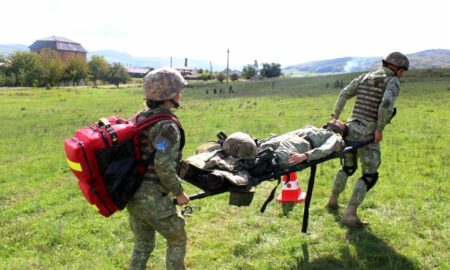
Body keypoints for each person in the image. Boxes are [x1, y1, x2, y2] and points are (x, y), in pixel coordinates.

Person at [326, 52, 409, 228]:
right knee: (370, 175)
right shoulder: (392, 80)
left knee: (348, 168)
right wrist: (379, 129)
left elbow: (344, 93)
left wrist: (336, 116)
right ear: (394, 67)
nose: (402, 74)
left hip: (348, 129)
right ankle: (349, 214)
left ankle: (332, 201)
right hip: (366, 133)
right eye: (402, 70)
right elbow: (386, 104)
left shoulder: (365, 77)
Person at [127, 68, 190, 270]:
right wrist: (180, 193)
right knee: (177, 240)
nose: (180, 94)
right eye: (178, 90)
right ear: (170, 95)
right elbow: (163, 166)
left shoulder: (138, 118)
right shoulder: (166, 127)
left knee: (143, 245)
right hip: (154, 200)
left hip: (132, 196)